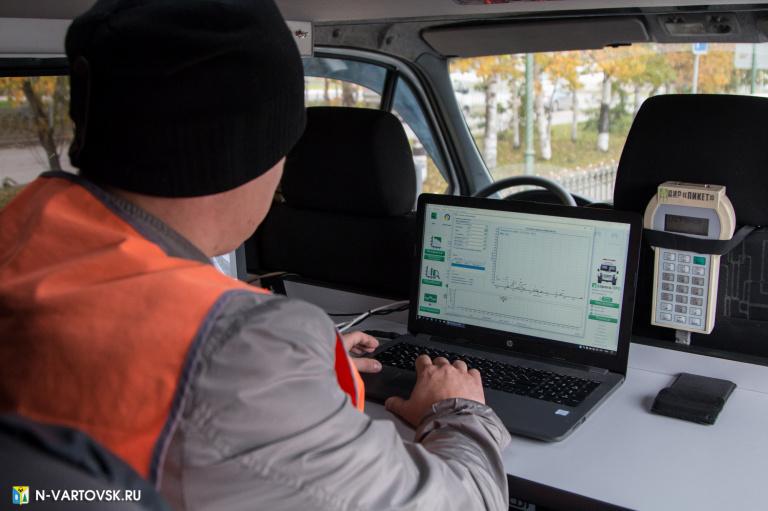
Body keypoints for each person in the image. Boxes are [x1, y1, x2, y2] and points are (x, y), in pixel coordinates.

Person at [0, 0, 511, 509]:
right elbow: (461, 503)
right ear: (252, 153)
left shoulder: (22, 236)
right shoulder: (240, 352)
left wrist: (304, 373)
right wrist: (457, 409)